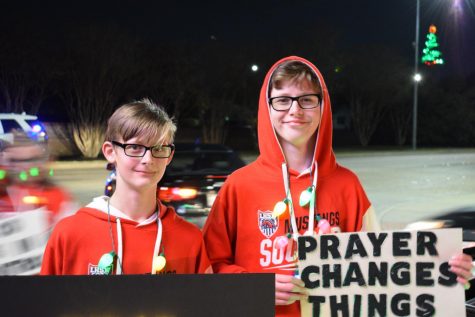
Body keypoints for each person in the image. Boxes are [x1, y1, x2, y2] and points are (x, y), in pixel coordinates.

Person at [202, 56, 473, 316]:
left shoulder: (347, 185)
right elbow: (208, 270)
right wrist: (255, 288)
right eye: (283, 100)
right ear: (267, 107)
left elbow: (381, 270)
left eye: (307, 100)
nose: (295, 110)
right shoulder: (239, 186)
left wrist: (442, 271)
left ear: (323, 107)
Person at [41, 98, 212, 275]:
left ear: (169, 156)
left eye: (159, 148)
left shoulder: (190, 240)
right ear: (110, 152)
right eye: (135, 147)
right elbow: (46, 301)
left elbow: (204, 302)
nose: (148, 159)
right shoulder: (69, 234)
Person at [0, 130, 77, 275]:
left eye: (31, 159)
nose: (24, 167)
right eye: (16, 161)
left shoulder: (57, 197)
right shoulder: (3, 193)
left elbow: (72, 243)